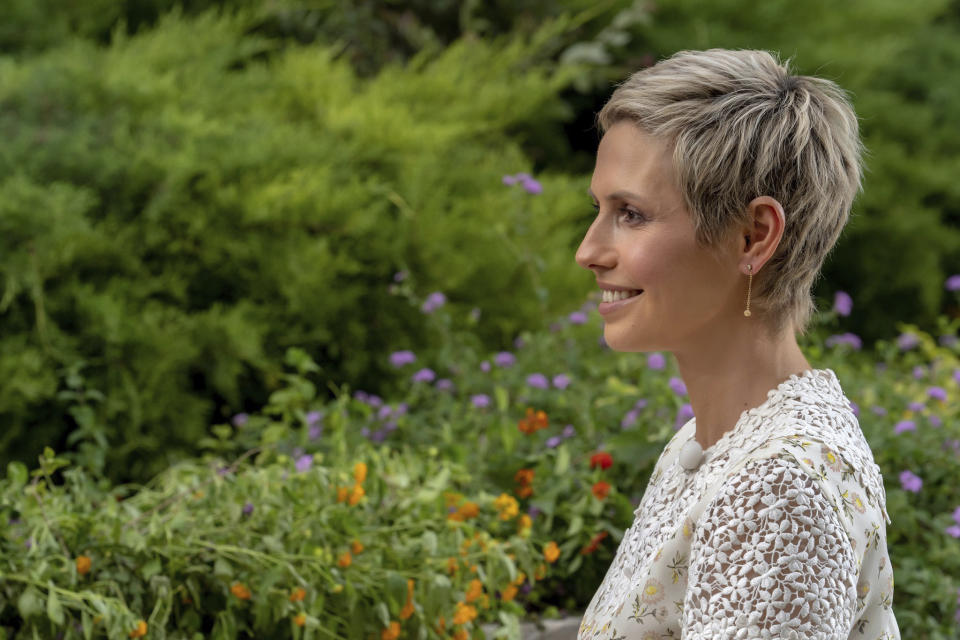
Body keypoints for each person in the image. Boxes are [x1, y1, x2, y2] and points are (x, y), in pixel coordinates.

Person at [574, 49, 900, 639]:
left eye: (632, 214)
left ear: (754, 236)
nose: (589, 250)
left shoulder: (778, 485)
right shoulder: (708, 444)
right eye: (599, 209)